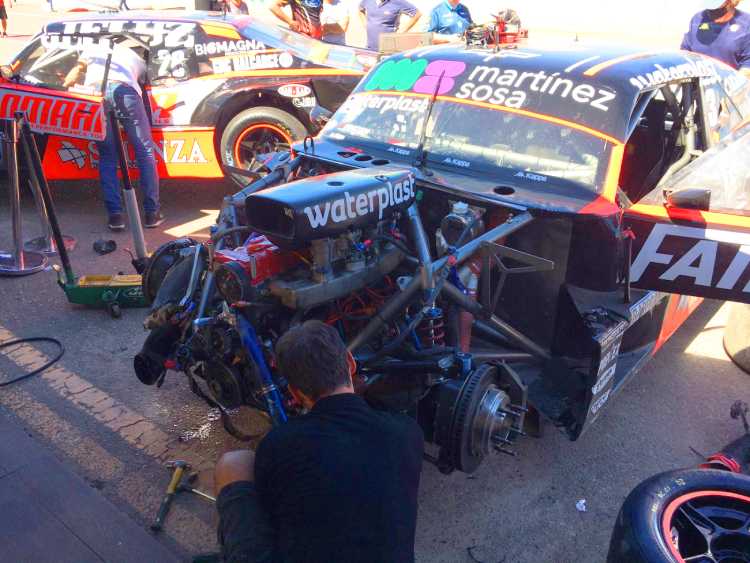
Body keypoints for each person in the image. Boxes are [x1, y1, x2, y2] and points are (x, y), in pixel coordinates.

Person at [214, 320, 424, 563]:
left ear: (293, 392)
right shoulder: (407, 433)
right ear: (350, 362)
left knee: (234, 463)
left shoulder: (280, 444)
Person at [63, 43, 162, 230]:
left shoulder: (91, 49)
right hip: (126, 92)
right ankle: (151, 214)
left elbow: (74, 75)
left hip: (96, 95)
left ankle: (115, 216)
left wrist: (63, 85)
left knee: (108, 156)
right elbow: (145, 80)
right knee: (145, 151)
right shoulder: (134, 55)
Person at [682, 0, 750, 76]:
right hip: (698, 83)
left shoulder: (746, 24)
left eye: (716, 7)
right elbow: (685, 54)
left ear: (729, 2)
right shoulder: (697, 19)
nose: (711, 11)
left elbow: (748, 64)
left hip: (731, 84)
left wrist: (733, 83)